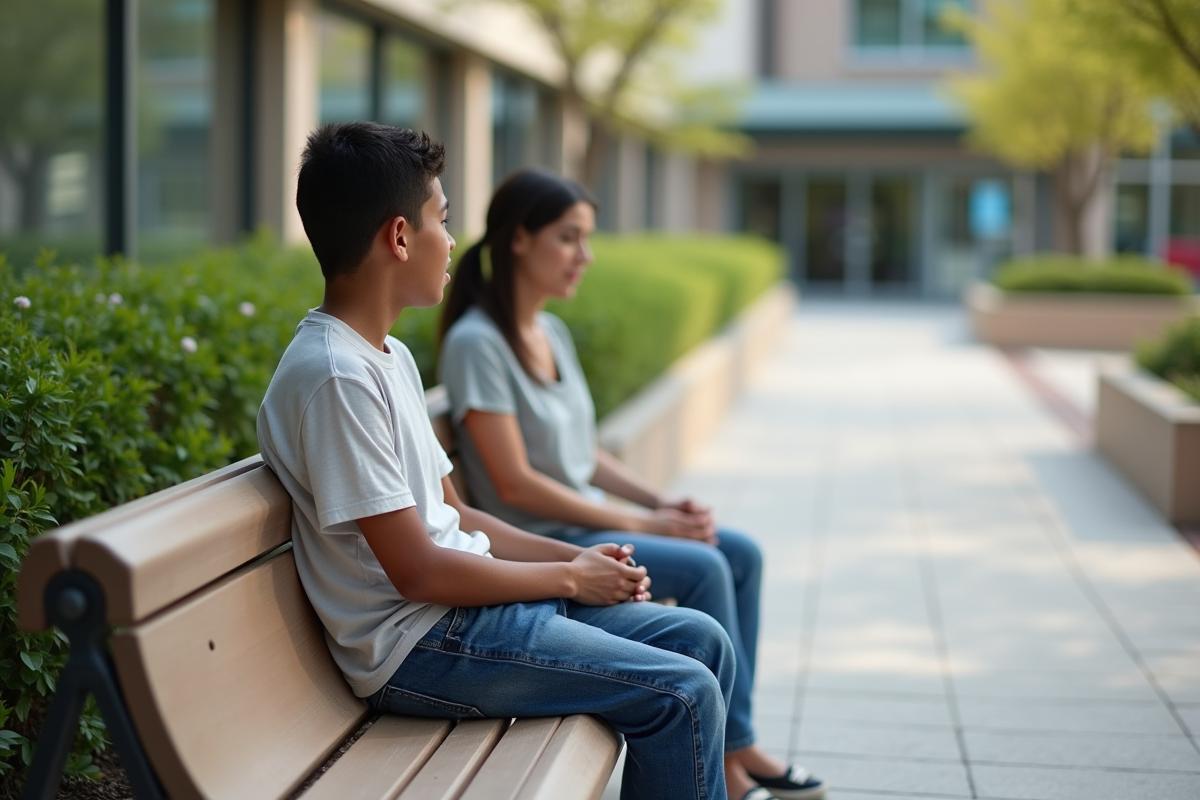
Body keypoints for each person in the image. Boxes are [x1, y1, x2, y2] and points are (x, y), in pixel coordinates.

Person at [256, 122, 738, 800]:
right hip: (423, 645)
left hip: (471, 614)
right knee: (683, 693)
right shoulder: (336, 376)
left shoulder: (386, 357)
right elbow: (418, 571)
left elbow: (458, 515)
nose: (453, 240)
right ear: (400, 237)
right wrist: (567, 578)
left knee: (702, 641)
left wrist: (578, 560)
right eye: (443, 219)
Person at [438, 169, 826, 800]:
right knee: (706, 567)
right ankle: (731, 763)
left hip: (588, 520)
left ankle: (736, 742)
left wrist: (660, 501)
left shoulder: (551, 333)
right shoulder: (476, 343)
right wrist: (647, 525)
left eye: (586, 239)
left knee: (741, 552)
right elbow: (513, 485)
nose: (584, 256)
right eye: (569, 238)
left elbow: (583, 452)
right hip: (548, 537)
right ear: (519, 239)